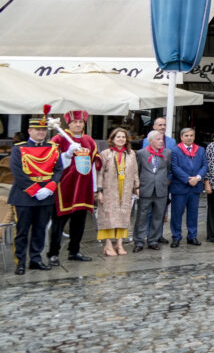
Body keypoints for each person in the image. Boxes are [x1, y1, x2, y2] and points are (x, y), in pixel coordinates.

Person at [10, 111, 68, 274]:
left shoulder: (53, 148)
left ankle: (35, 259)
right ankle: (20, 261)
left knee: (40, 229)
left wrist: (49, 188)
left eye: (43, 130)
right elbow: (18, 173)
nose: (41, 132)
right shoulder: (18, 149)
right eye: (37, 130)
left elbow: (58, 170)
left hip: (46, 196)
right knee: (22, 231)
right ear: (30, 131)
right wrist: (35, 190)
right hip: (24, 196)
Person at [48, 110, 100, 265]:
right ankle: (53, 254)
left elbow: (92, 165)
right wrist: (68, 154)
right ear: (68, 124)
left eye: (80, 122)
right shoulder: (58, 138)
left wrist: (94, 188)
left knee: (79, 223)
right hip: (65, 188)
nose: (78, 125)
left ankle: (74, 251)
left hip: (83, 188)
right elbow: (52, 163)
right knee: (59, 224)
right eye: (75, 122)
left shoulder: (89, 140)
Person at [96, 127, 139, 256]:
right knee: (108, 216)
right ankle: (108, 245)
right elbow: (100, 173)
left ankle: (119, 244)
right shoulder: (105, 153)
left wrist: (137, 188)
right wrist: (99, 191)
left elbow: (135, 172)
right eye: (118, 137)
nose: (121, 139)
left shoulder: (131, 154)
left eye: (123, 137)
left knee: (123, 215)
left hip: (125, 189)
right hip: (109, 188)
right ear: (113, 139)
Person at [169, 127, 206, 247]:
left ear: (194, 137)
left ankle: (192, 235)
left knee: (193, 213)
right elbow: (175, 167)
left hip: (195, 187)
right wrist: (187, 179)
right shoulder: (175, 150)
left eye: (191, 135)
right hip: (180, 187)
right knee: (177, 213)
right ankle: (176, 236)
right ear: (181, 137)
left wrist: (198, 178)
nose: (189, 138)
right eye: (186, 136)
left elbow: (205, 165)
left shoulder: (200, 150)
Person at [135, 130, 171, 251]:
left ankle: (153, 240)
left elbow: (168, 169)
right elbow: (138, 170)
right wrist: (137, 187)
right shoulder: (141, 153)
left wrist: (165, 181)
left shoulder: (167, 153)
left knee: (158, 216)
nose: (161, 142)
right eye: (158, 139)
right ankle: (139, 241)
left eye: (162, 140)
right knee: (142, 216)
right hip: (146, 188)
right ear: (150, 141)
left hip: (161, 189)